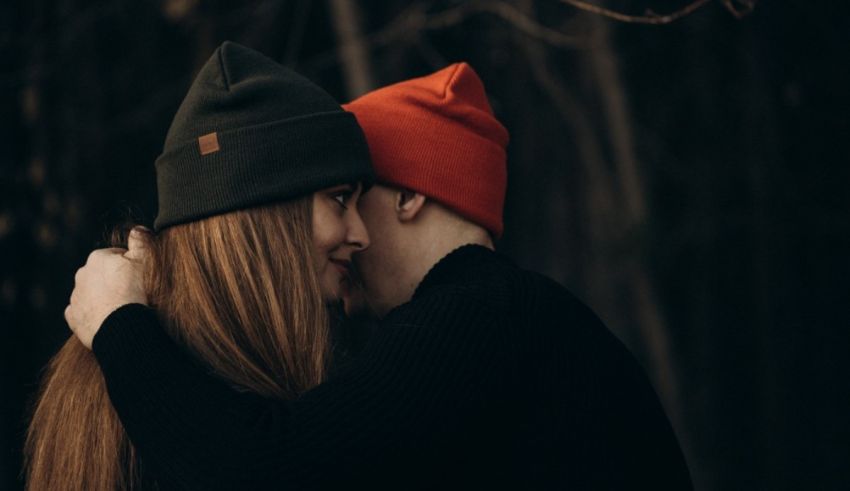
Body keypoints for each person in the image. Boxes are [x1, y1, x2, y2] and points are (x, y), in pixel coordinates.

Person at [66, 63, 693, 489]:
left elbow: (263, 472)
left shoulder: (478, 315)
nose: (352, 235)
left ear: (410, 197)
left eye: (347, 193)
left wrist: (122, 326)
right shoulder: (518, 326)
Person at [25, 41, 374, 491]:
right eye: (340, 199)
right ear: (267, 214)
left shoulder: (138, 363)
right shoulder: (142, 389)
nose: (362, 234)